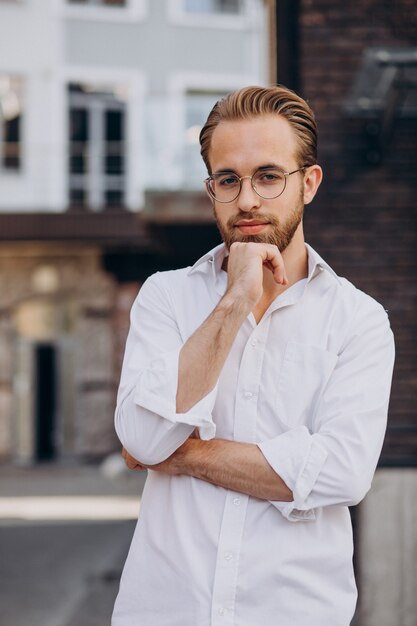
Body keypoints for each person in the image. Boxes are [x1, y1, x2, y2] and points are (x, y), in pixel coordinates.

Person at [112, 85, 395, 626]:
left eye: (269, 176)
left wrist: (184, 454)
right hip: (166, 611)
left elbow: (343, 473)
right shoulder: (166, 297)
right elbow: (146, 438)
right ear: (210, 189)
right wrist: (236, 297)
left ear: (308, 183)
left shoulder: (358, 320)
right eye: (228, 179)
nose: (247, 199)